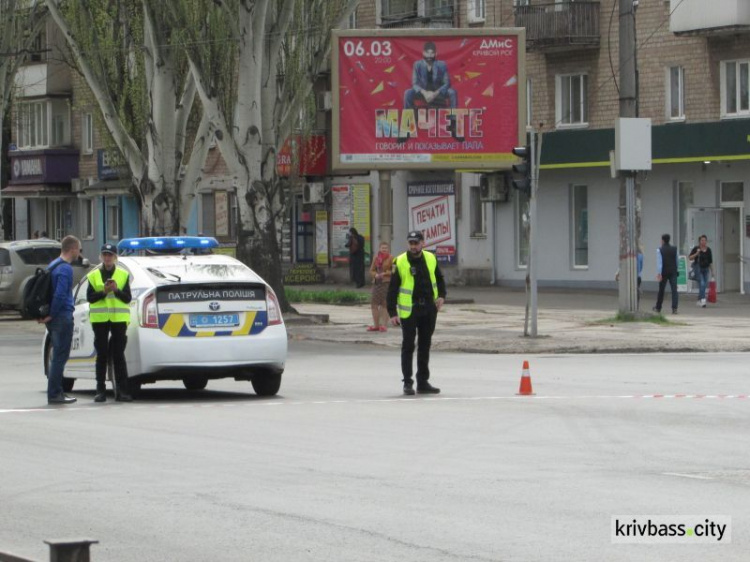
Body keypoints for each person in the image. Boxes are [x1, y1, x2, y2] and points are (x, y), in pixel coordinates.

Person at [387, 230, 446, 396]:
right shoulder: (400, 261)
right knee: (408, 346)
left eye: (416, 243)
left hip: (428, 309)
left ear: (423, 243)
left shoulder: (430, 258)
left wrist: (442, 296)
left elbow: (439, 279)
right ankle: (407, 382)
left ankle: (423, 381)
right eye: (411, 243)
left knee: (425, 344)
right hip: (409, 310)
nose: (413, 246)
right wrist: (392, 312)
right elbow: (392, 289)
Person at [87, 243, 133, 402]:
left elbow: (127, 298)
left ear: (115, 257)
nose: (107, 258)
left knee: (119, 355)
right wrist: (103, 292)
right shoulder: (93, 275)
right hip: (100, 320)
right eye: (105, 255)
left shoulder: (123, 275)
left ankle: (123, 391)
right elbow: (90, 298)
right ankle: (100, 390)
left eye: (110, 255)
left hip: (119, 319)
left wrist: (116, 290)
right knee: (102, 354)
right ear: (101, 257)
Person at [39, 235, 81, 405]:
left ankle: (55, 392)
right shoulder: (65, 269)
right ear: (72, 249)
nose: (79, 252)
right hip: (61, 317)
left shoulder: (53, 264)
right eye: (78, 249)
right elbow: (60, 295)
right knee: (60, 356)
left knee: (57, 355)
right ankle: (56, 393)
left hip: (54, 317)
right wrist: (53, 314)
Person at [403, 41, 458, 110]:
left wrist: (434, 94)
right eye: (427, 53)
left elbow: (447, 83)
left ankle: (453, 119)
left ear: (435, 54)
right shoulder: (417, 64)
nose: (429, 56)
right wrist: (425, 93)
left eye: (432, 53)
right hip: (423, 93)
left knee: (452, 92)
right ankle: (409, 117)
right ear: (423, 53)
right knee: (408, 93)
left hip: (438, 92)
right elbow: (414, 84)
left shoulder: (442, 64)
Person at [367, 241, 394, 332]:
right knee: (374, 304)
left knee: (384, 304)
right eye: (382, 248)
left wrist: (385, 274)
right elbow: (371, 270)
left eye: (386, 248)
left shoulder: (391, 258)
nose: (384, 250)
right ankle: (376, 325)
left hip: (386, 283)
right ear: (379, 249)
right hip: (377, 283)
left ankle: (384, 325)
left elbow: (394, 271)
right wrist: (375, 275)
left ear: (388, 249)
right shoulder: (376, 258)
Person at [653, 233, 679, 314]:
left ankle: (658, 307)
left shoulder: (659, 250)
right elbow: (677, 260)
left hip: (664, 272)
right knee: (674, 290)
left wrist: (659, 273)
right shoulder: (674, 249)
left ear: (663, 240)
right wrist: (676, 269)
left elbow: (659, 263)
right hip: (673, 271)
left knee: (661, 290)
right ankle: (674, 308)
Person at [689, 234, 714, 308]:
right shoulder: (696, 248)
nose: (703, 242)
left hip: (706, 269)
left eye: (705, 240)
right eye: (702, 240)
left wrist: (712, 271)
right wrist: (696, 253)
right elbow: (690, 257)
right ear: (699, 241)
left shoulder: (708, 250)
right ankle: (703, 300)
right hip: (698, 268)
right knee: (702, 284)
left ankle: (699, 300)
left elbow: (710, 261)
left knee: (703, 285)